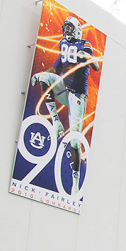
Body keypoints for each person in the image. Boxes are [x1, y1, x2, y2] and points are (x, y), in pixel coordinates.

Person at [30, 16, 101, 195]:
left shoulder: (85, 44)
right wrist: (40, 74)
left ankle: (75, 179)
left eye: (70, 28)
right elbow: (55, 70)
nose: (67, 31)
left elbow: (96, 66)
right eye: (66, 28)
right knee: (46, 77)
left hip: (78, 95)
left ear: (77, 29)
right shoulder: (63, 44)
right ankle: (56, 123)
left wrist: (88, 58)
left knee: (75, 141)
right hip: (64, 89)